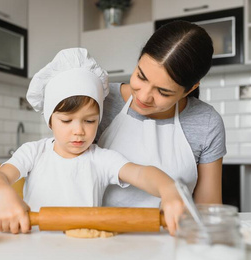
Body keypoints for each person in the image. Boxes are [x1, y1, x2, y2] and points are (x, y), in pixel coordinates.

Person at [0, 48, 183, 236]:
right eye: (66, 120)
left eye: (89, 121)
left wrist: (169, 189)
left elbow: (142, 173)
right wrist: (4, 195)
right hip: (34, 243)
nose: (79, 131)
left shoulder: (101, 159)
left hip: (85, 249)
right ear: (50, 120)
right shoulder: (34, 153)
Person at [96, 20, 226, 208]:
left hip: (173, 235)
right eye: (141, 76)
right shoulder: (101, 101)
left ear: (190, 89)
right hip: (100, 233)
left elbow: (208, 208)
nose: (144, 96)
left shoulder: (206, 123)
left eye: (163, 92)